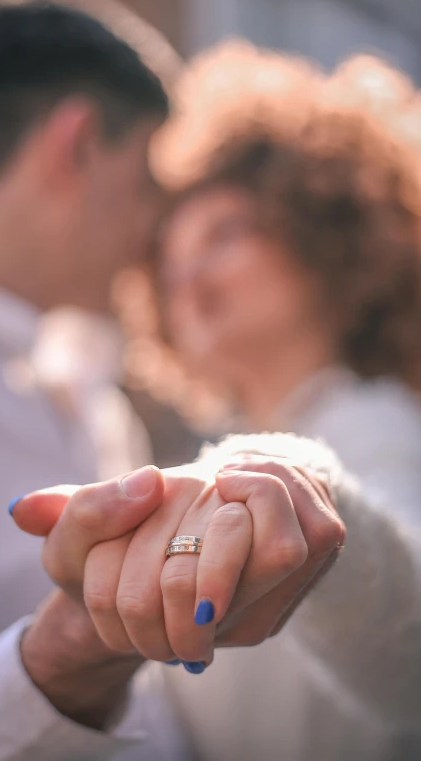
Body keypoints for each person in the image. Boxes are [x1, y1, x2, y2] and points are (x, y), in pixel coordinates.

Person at [0, 0, 349, 761]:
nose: (155, 239)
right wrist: (65, 660)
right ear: (73, 145)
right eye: (149, 185)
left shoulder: (88, 392)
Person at [110, 41, 421, 759]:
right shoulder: (195, 464)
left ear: (325, 237)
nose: (187, 273)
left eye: (224, 232)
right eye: (170, 256)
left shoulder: (380, 424)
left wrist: (313, 495)